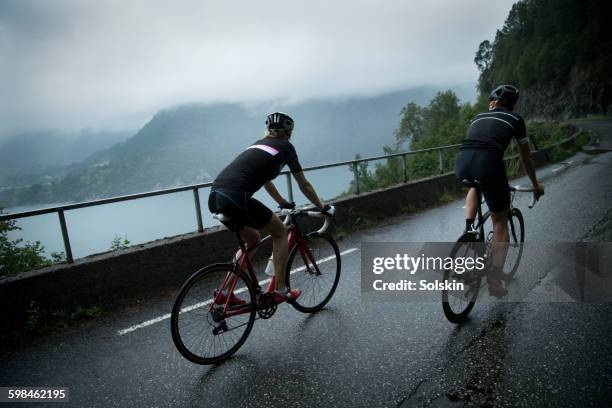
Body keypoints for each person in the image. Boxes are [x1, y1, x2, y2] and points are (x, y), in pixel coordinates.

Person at [208, 112, 327, 303]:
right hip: (235, 197)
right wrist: (322, 207)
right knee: (280, 232)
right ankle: (280, 290)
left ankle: (224, 294)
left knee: (252, 239)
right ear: (289, 132)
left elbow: (265, 181)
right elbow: (303, 184)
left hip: (215, 196)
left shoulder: (259, 144)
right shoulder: (286, 148)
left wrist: (282, 202)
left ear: (268, 130)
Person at [454, 85, 544, 296]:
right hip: (489, 164)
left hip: (462, 162)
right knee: (499, 221)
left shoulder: (478, 116)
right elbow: (525, 157)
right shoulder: (515, 119)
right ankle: (494, 279)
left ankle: (469, 231)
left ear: (494, 102)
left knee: (475, 184)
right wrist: (535, 184)